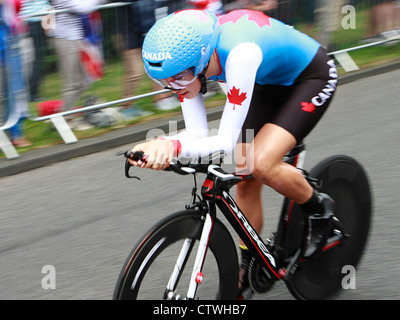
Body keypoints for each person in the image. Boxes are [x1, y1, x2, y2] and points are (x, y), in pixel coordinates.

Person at [129, 9, 337, 297]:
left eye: (179, 78)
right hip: (267, 82)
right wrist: (154, 147)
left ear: (199, 63)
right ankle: (252, 255)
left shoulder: (240, 54)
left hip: (311, 76)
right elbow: (198, 134)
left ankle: (319, 210)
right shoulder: (187, 67)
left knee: (260, 163)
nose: (176, 87)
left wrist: (171, 145)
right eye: (166, 83)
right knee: (243, 170)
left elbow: (223, 141)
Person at [48, 0, 106, 130]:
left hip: (75, 37)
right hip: (65, 38)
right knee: (72, 84)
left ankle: (62, 116)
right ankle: (63, 121)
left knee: (83, 82)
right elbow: (81, 7)